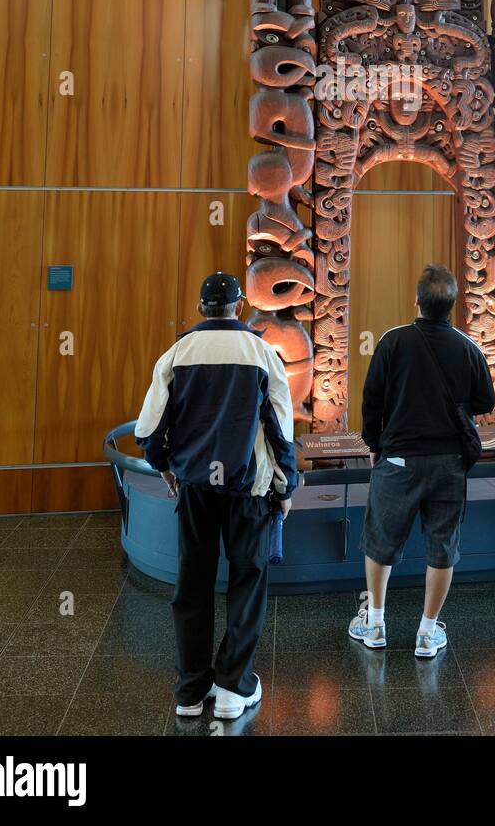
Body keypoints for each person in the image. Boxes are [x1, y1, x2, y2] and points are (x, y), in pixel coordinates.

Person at [135, 272, 296, 719]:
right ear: (239, 306)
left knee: (192, 585)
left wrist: (166, 466)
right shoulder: (263, 353)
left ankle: (190, 691)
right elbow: (281, 429)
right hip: (249, 489)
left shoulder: (176, 354)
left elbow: (148, 430)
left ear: (202, 307)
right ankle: (232, 687)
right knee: (247, 582)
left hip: (195, 489)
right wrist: (287, 485)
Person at [348, 263, 495, 658]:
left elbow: (371, 399)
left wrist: (374, 443)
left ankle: (376, 623)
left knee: (380, 541)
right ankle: (427, 633)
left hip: (397, 458)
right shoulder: (468, 346)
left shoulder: (393, 342)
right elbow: (485, 402)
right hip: (449, 461)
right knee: (442, 546)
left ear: (416, 301)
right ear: (452, 305)